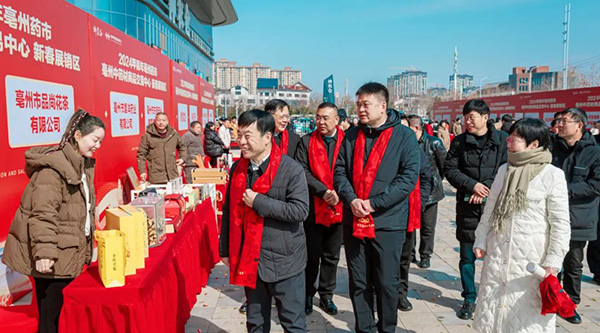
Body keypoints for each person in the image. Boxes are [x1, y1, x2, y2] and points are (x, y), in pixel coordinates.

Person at [2, 109, 105, 333]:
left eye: (100, 141)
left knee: (66, 320)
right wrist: (45, 253)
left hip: (69, 253)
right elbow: (42, 214)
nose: (98, 146)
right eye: (95, 140)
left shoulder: (83, 165)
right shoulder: (53, 170)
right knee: (51, 320)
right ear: (77, 135)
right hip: (52, 258)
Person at [334, 82, 419, 333]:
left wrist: (373, 204)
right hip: (354, 219)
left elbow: (408, 178)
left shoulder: (403, 136)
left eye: (365, 104)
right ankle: (365, 328)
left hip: (388, 222)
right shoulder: (351, 135)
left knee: (386, 282)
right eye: (358, 104)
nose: (360, 109)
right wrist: (351, 199)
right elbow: (339, 172)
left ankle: (387, 328)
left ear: (383, 106)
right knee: (359, 281)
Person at [472, 118, 570, 333]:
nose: (508, 141)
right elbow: (490, 209)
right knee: (494, 314)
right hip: (498, 254)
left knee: (526, 320)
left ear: (533, 144)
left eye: (514, 138)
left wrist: (553, 262)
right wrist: (481, 238)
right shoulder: (504, 170)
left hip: (532, 260)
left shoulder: (553, 175)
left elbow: (561, 224)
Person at [220, 109, 309, 332]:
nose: (241, 142)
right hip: (251, 261)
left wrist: (260, 202)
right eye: (239, 135)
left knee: (293, 324)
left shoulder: (291, 169)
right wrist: (225, 250)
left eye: (247, 136)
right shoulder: (238, 169)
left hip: (285, 262)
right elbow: (229, 210)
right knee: (255, 322)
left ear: (267, 137)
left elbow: (300, 211)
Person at [444, 99, 508, 320]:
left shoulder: (502, 140)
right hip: (468, 207)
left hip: (496, 207)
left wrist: (486, 188)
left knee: (497, 255)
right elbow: (450, 169)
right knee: (467, 256)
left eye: (472, 117)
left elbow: (507, 168)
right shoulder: (459, 142)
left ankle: (493, 296)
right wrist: (472, 186)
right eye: (465, 117)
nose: (467, 121)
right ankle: (469, 297)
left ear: (485, 117)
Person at [551, 107, 600, 325]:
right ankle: (550, 299)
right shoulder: (552, 148)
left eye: (564, 121)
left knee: (573, 263)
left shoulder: (595, 152)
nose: (558, 125)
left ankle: (569, 304)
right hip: (549, 215)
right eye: (558, 121)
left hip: (578, 217)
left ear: (579, 125)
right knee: (550, 261)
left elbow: (595, 185)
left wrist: (562, 190)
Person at [295, 102, 344, 316]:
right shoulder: (306, 142)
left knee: (332, 256)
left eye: (326, 118)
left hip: (340, 206)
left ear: (337, 120)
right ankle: (307, 294)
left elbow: (352, 170)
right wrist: (323, 191)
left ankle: (326, 295)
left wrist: (338, 194)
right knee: (311, 256)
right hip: (314, 207)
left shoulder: (347, 141)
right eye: (318, 117)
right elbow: (302, 171)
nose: (321, 122)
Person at [397, 114, 433, 312]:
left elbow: (427, 177)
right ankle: (379, 293)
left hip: (409, 212)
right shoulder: (385, 151)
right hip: (386, 214)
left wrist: (420, 203)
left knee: (404, 258)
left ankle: (401, 294)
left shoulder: (416, 152)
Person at [407, 115, 447, 269]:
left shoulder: (434, 143)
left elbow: (443, 167)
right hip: (410, 192)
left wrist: (434, 182)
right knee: (410, 226)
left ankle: (425, 255)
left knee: (427, 227)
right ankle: (410, 254)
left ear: (416, 128)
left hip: (430, 193)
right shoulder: (406, 143)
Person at [137, 112, 186, 183]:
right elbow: (141, 154)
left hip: (172, 175)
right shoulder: (148, 136)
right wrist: (142, 171)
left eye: (163, 120)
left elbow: (182, 147)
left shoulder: (174, 134)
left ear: (167, 122)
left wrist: (182, 158)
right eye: (159, 120)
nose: (161, 123)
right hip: (156, 176)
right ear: (154, 121)